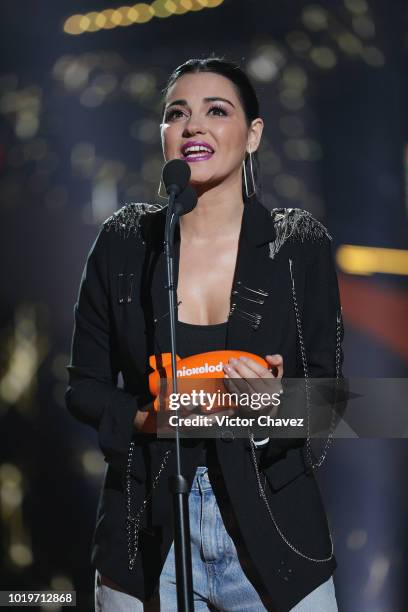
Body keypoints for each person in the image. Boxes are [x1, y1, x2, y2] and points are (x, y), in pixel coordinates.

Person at [65, 57, 344, 611]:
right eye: (177, 114)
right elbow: (84, 388)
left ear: (253, 133)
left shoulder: (297, 245)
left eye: (217, 110)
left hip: (274, 534)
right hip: (144, 535)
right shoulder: (125, 242)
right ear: (164, 134)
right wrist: (149, 418)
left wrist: (273, 408)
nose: (193, 126)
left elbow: (331, 401)